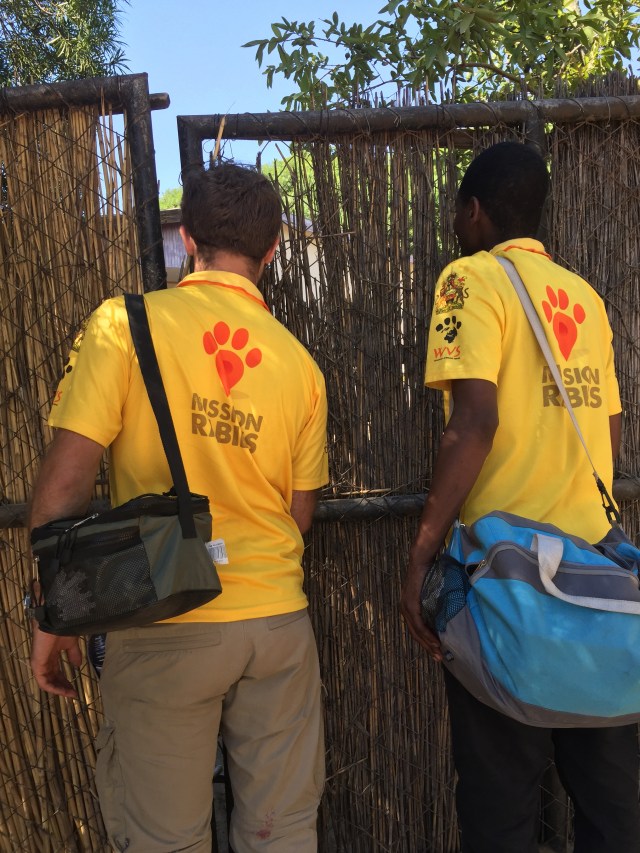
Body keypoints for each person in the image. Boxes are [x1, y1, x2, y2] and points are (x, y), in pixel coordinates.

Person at [29, 162, 329, 853]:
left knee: (164, 837)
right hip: (277, 625)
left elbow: (64, 484)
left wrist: (55, 611)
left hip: (165, 615)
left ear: (188, 236)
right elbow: (299, 514)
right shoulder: (301, 367)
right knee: (280, 831)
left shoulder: (123, 326)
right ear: (274, 249)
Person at [401, 141, 640, 853]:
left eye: (456, 212)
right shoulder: (586, 298)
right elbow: (613, 428)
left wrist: (419, 555)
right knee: (614, 811)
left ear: (474, 212)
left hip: (506, 590)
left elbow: (474, 421)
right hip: (596, 590)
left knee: (500, 812)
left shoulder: (470, 280)